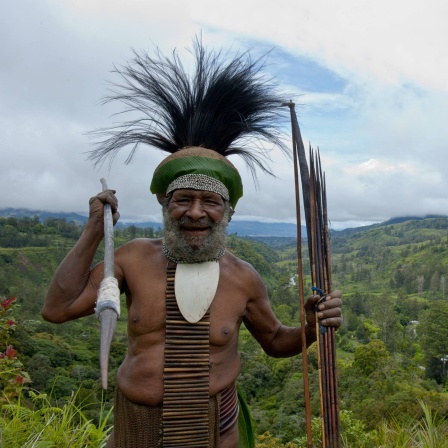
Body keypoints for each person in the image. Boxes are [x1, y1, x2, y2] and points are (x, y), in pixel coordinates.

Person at [42, 38, 342, 448]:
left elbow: (275, 342)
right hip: (136, 430)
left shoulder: (243, 278)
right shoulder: (132, 258)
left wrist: (310, 327)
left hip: (214, 432)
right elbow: (57, 309)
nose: (196, 212)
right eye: (183, 199)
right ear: (166, 206)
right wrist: (95, 229)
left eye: (210, 202)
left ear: (228, 212)